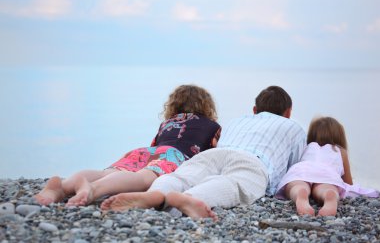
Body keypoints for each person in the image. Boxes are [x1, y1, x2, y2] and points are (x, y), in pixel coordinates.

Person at [100, 85, 307, 221]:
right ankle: (191, 198)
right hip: (253, 161)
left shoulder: (237, 121)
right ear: (288, 112)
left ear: (254, 110)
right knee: (233, 184)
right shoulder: (293, 127)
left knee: (182, 176)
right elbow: (295, 168)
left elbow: (218, 145)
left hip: (216, 154)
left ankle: (156, 195)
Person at [34, 84, 221, 206]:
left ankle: (63, 187)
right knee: (144, 178)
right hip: (174, 155)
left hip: (146, 151)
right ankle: (94, 190)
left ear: (174, 105)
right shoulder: (212, 126)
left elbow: (157, 144)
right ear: (206, 106)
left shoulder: (167, 123)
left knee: (108, 173)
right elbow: (213, 154)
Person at [275, 116, 379, 216]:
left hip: (302, 170)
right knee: (327, 187)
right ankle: (329, 194)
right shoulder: (340, 150)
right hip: (327, 174)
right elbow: (348, 183)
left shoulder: (306, 147)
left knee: (296, 185)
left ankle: (300, 193)